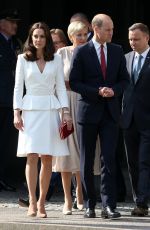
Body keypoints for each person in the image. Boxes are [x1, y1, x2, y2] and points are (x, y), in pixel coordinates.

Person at [69, 13, 129, 219]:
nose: (112, 33)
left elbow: (124, 80)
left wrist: (114, 90)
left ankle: (108, 206)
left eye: (112, 29)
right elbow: (75, 82)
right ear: (96, 29)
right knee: (86, 161)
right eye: (108, 29)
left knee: (109, 160)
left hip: (110, 113)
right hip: (88, 112)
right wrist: (97, 91)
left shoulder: (117, 50)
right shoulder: (82, 51)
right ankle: (89, 204)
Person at [13, 21, 72, 218]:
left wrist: (65, 112)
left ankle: (41, 202)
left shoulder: (55, 59)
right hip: (30, 110)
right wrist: (16, 112)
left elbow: (61, 88)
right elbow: (17, 87)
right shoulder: (22, 58)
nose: (38, 39)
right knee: (31, 156)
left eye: (42, 36)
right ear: (31, 38)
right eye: (35, 36)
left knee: (47, 158)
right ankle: (31, 200)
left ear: (47, 39)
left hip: (49, 109)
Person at [52, 21, 88, 215]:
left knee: (82, 152)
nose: (82, 38)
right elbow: (54, 80)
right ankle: (67, 199)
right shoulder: (61, 53)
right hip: (64, 105)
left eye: (85, 34)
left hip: (84, 103)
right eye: (79, 35)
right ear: (71, 36)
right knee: (65, 153)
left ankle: (80, 195)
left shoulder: (90, 52)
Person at [121, 23, 150, 216]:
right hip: (128, 120)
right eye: (130, 39)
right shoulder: (125, 59)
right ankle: (138, 198)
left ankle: (142, 203)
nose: (132, 42)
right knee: (132, 163)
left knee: (144, 161)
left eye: (136, 39)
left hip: (148, 120)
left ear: (147, 38)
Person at [0, 8, 22, 192]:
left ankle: (1, 176)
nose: (15, 25)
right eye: (11, 21)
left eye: (16, 22)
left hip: (9, 99)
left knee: (6, 141)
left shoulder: (15, 43)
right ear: (1, 23)